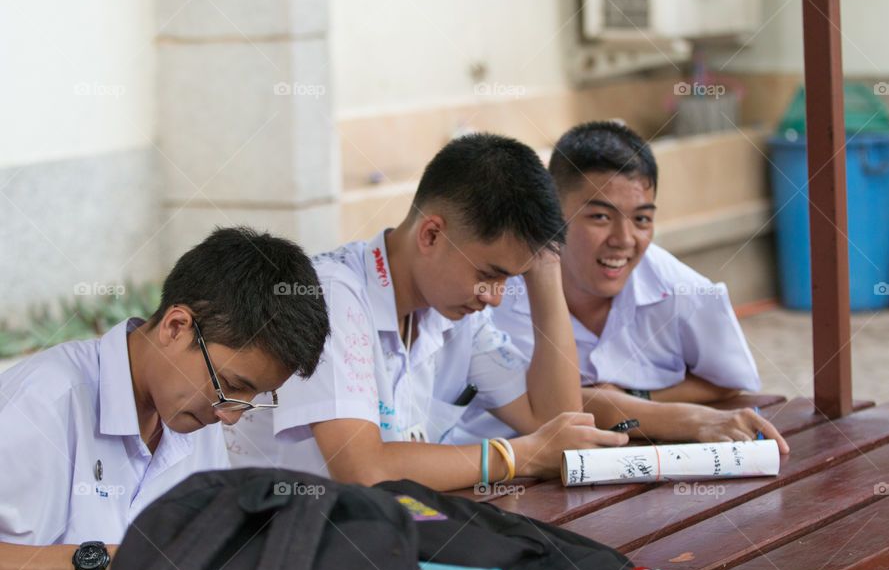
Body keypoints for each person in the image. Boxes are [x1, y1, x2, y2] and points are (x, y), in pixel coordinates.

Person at [226, 133, 627, 490]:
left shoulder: (455, 312)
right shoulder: (330, 296)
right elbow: (363, 470)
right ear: (432, 234)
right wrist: (519, 456)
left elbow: (556, 425)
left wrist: (545, 269)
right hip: (270, 541)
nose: (495, 297)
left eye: (511, 279)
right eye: (490, 274)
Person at [0, 227, 330, 570]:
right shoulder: (42, 402)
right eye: (230, 386)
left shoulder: (195, 416)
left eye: (250, 400)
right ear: (175, 327)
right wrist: (118, 564)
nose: (229, 415)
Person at [443, 121, 788, 453]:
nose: (624, 240)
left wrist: (636, 397)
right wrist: (678, 416)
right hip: (496, 469)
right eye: (600, 217)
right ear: (551, 212)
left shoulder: (684, 292)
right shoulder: (495, 293)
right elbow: (567, 413)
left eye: (641, 219)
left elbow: (728, 379)